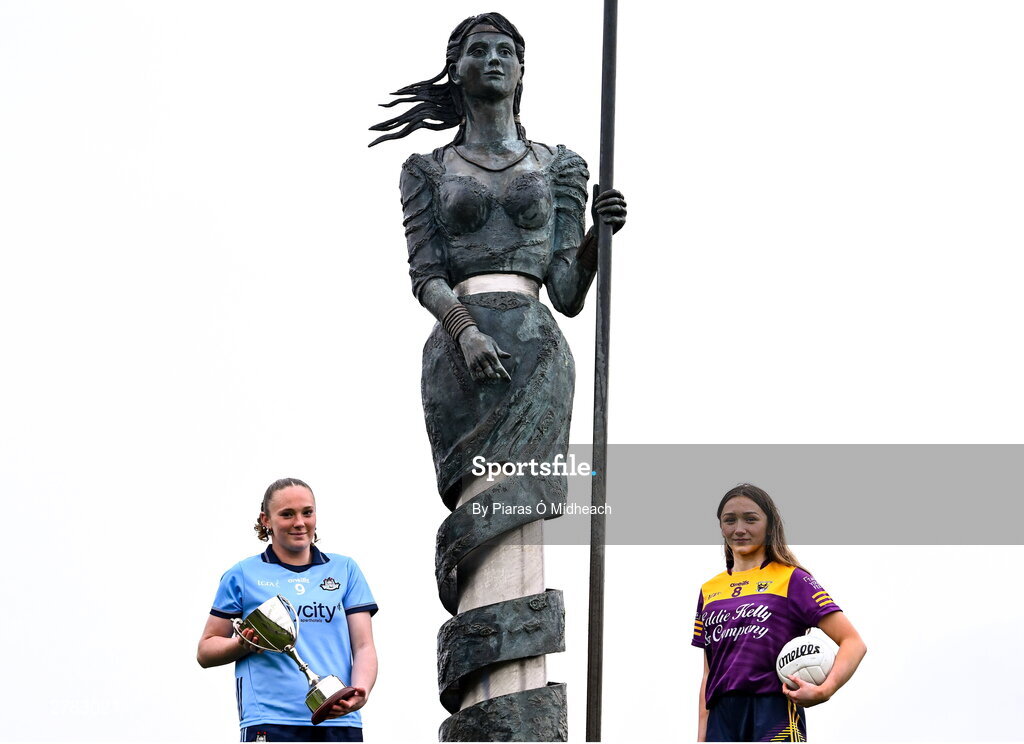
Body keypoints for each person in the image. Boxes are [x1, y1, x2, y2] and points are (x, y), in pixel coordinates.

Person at [197, 478, 378, 743]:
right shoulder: (243, 575)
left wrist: (360, 692)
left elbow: (364, 646)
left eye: (307, 512)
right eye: (287, 514)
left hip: (338, 717)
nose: (300, 523)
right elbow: (205, 651)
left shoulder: (345, 570)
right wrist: (243, 644)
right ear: (266, 520)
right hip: (270, 720)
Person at [694, 484, 866, 742]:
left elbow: (853, 642)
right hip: (722, 720)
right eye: (730, 520)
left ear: (770, 524)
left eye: (750, 519)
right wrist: (701, 737)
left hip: (774, 712)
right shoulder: (709, 590)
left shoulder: (792, 579)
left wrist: (825, 690)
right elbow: (709, 675)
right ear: (721, 527)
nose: (739, 529)